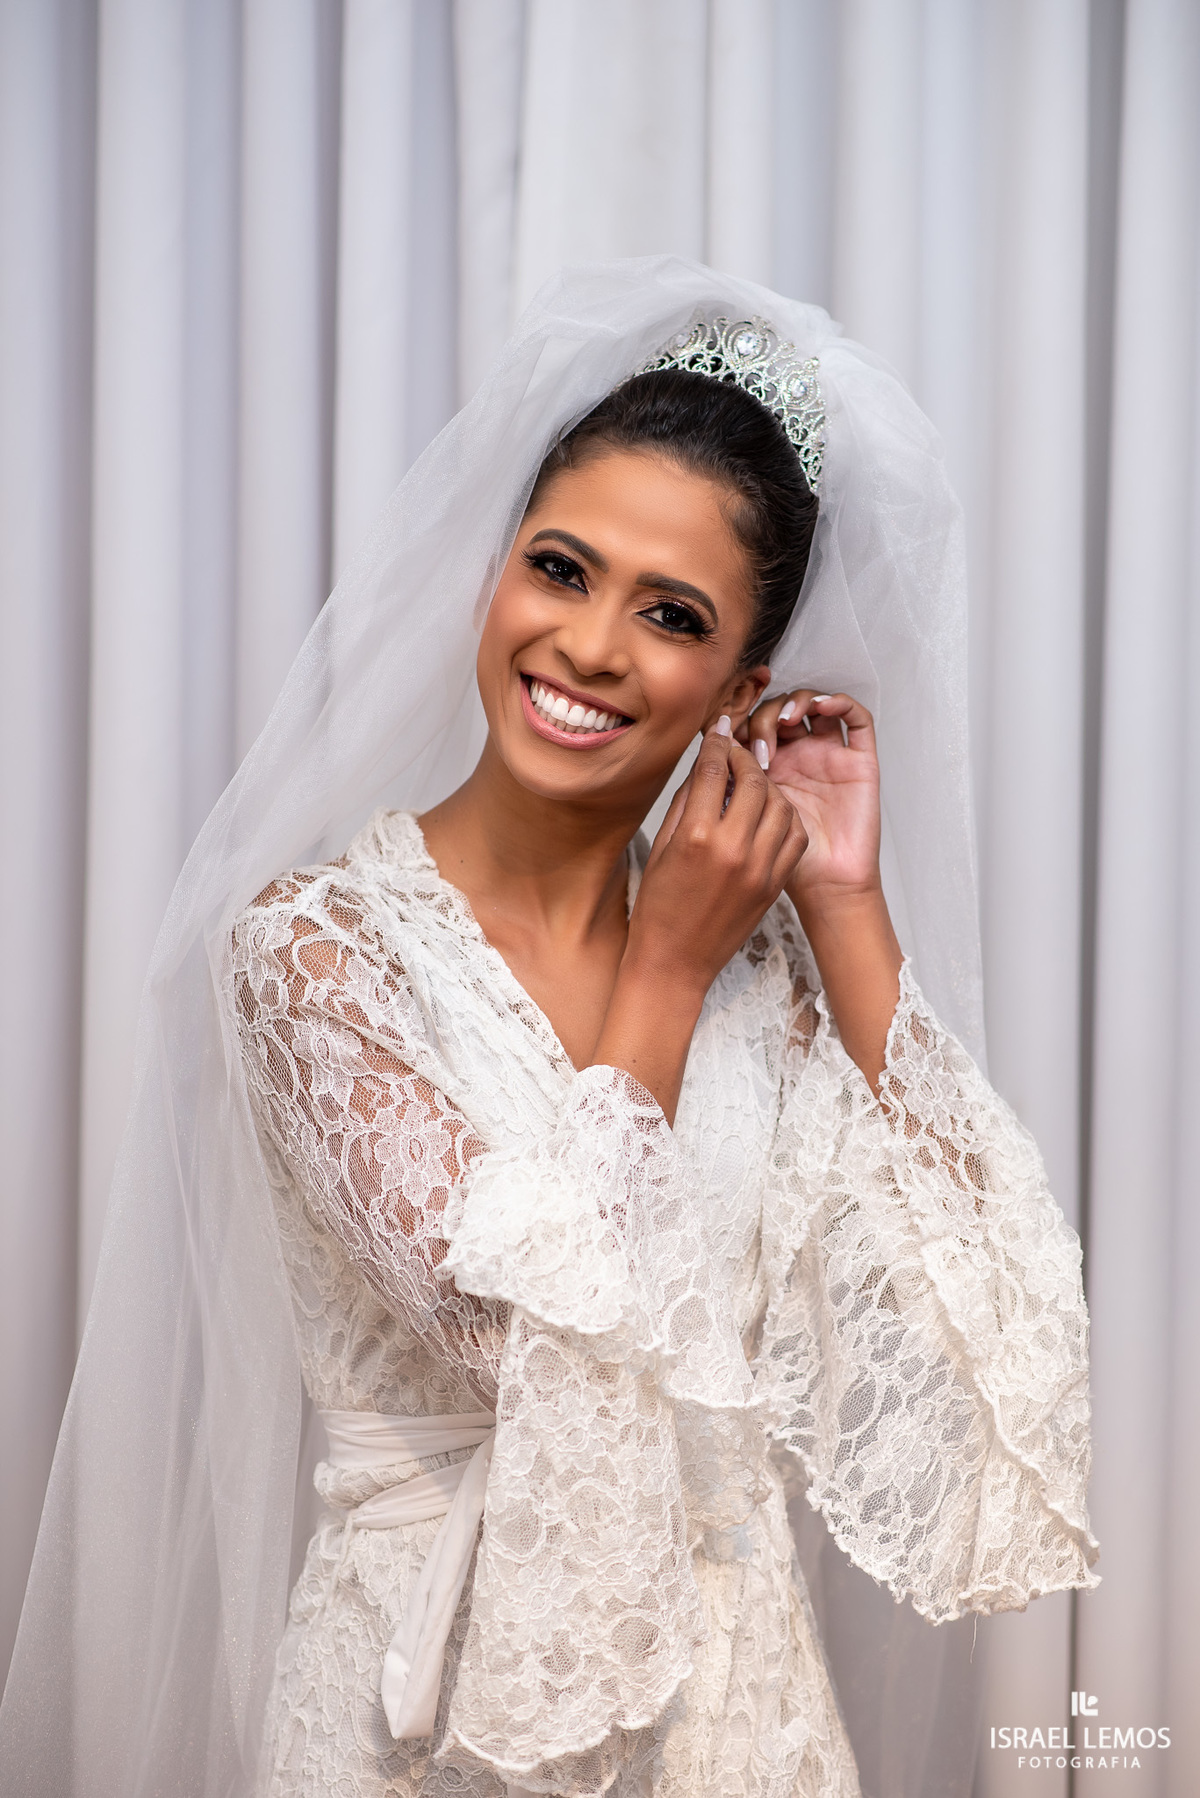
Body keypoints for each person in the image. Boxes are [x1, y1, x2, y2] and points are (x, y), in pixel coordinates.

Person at [0, 261, 1098, 1798]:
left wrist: (846, 905)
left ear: (740, 684)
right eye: (562, 569)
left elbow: (984, 1351)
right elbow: (527, 1351)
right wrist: (664, 972)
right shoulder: (316, 952)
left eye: (671, 614)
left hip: (738, 1714)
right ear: (490, 576)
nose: (590, 644)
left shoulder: (766, 962)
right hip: (427, 1716)